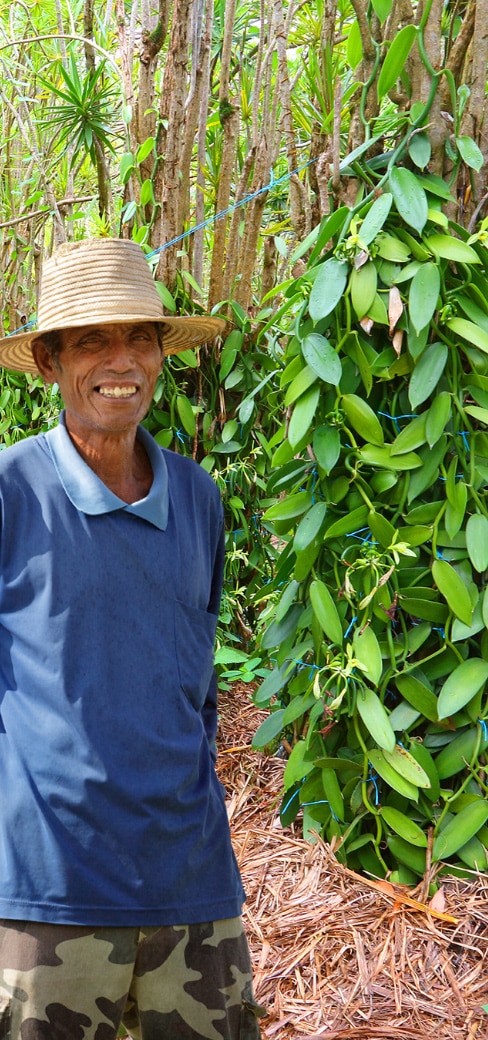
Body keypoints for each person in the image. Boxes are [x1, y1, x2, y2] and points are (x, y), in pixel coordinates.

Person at [0, 238, 265, 1040]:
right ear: (48, 362)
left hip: (192, 888)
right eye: (91, 341)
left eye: (140, 339)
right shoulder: (13, 492)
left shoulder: (197, 498)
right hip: (52, 897)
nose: (123, 362)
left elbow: (196, 683)